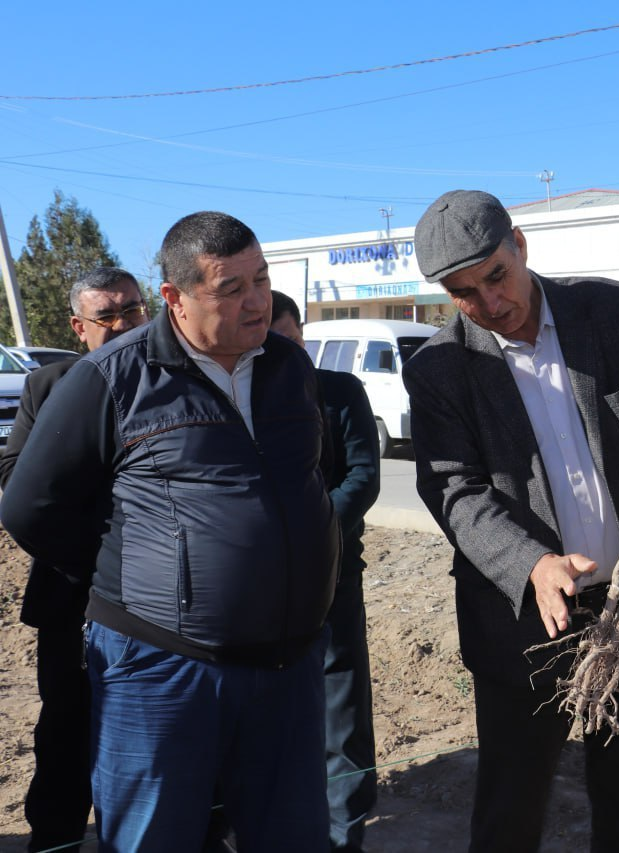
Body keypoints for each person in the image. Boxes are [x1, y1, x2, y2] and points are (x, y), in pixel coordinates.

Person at [0, 212, 339, 852]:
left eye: (262, 280)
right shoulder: (110, 377)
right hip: (161, 670)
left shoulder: (288, 366)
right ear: (175, 298)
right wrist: (129, 571)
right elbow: (28, 503)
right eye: (230, 288)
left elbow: (304, 477)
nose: (257, 302)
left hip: (289, 667)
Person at [403, 189, 619, 852]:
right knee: (512, 805)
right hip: (528, 620)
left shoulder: (608, 309)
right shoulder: (439, 369)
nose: (489, 304)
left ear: (520, 245)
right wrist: (532, 565)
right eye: (464, 293)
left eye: (495, 277)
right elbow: (453, 490)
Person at [0, 267, 148, 852]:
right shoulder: (48, 386)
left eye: (131, 312)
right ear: (77, 327)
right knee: (64, 728)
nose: (120, 326)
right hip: (72, 594)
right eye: (105, 317)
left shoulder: (175, 379)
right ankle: (56, 839)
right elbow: (17, 482)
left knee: (151, 736)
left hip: (159, 601)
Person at [270, 290, 381, 851]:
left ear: (302, 335)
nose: (279, 353)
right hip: (252, 587)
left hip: (331, 573)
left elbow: (362, 477)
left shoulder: (339, 393)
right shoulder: (231, 398)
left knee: (341, 707)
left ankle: (347, 830)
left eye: (288, 340)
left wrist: (307, 534)